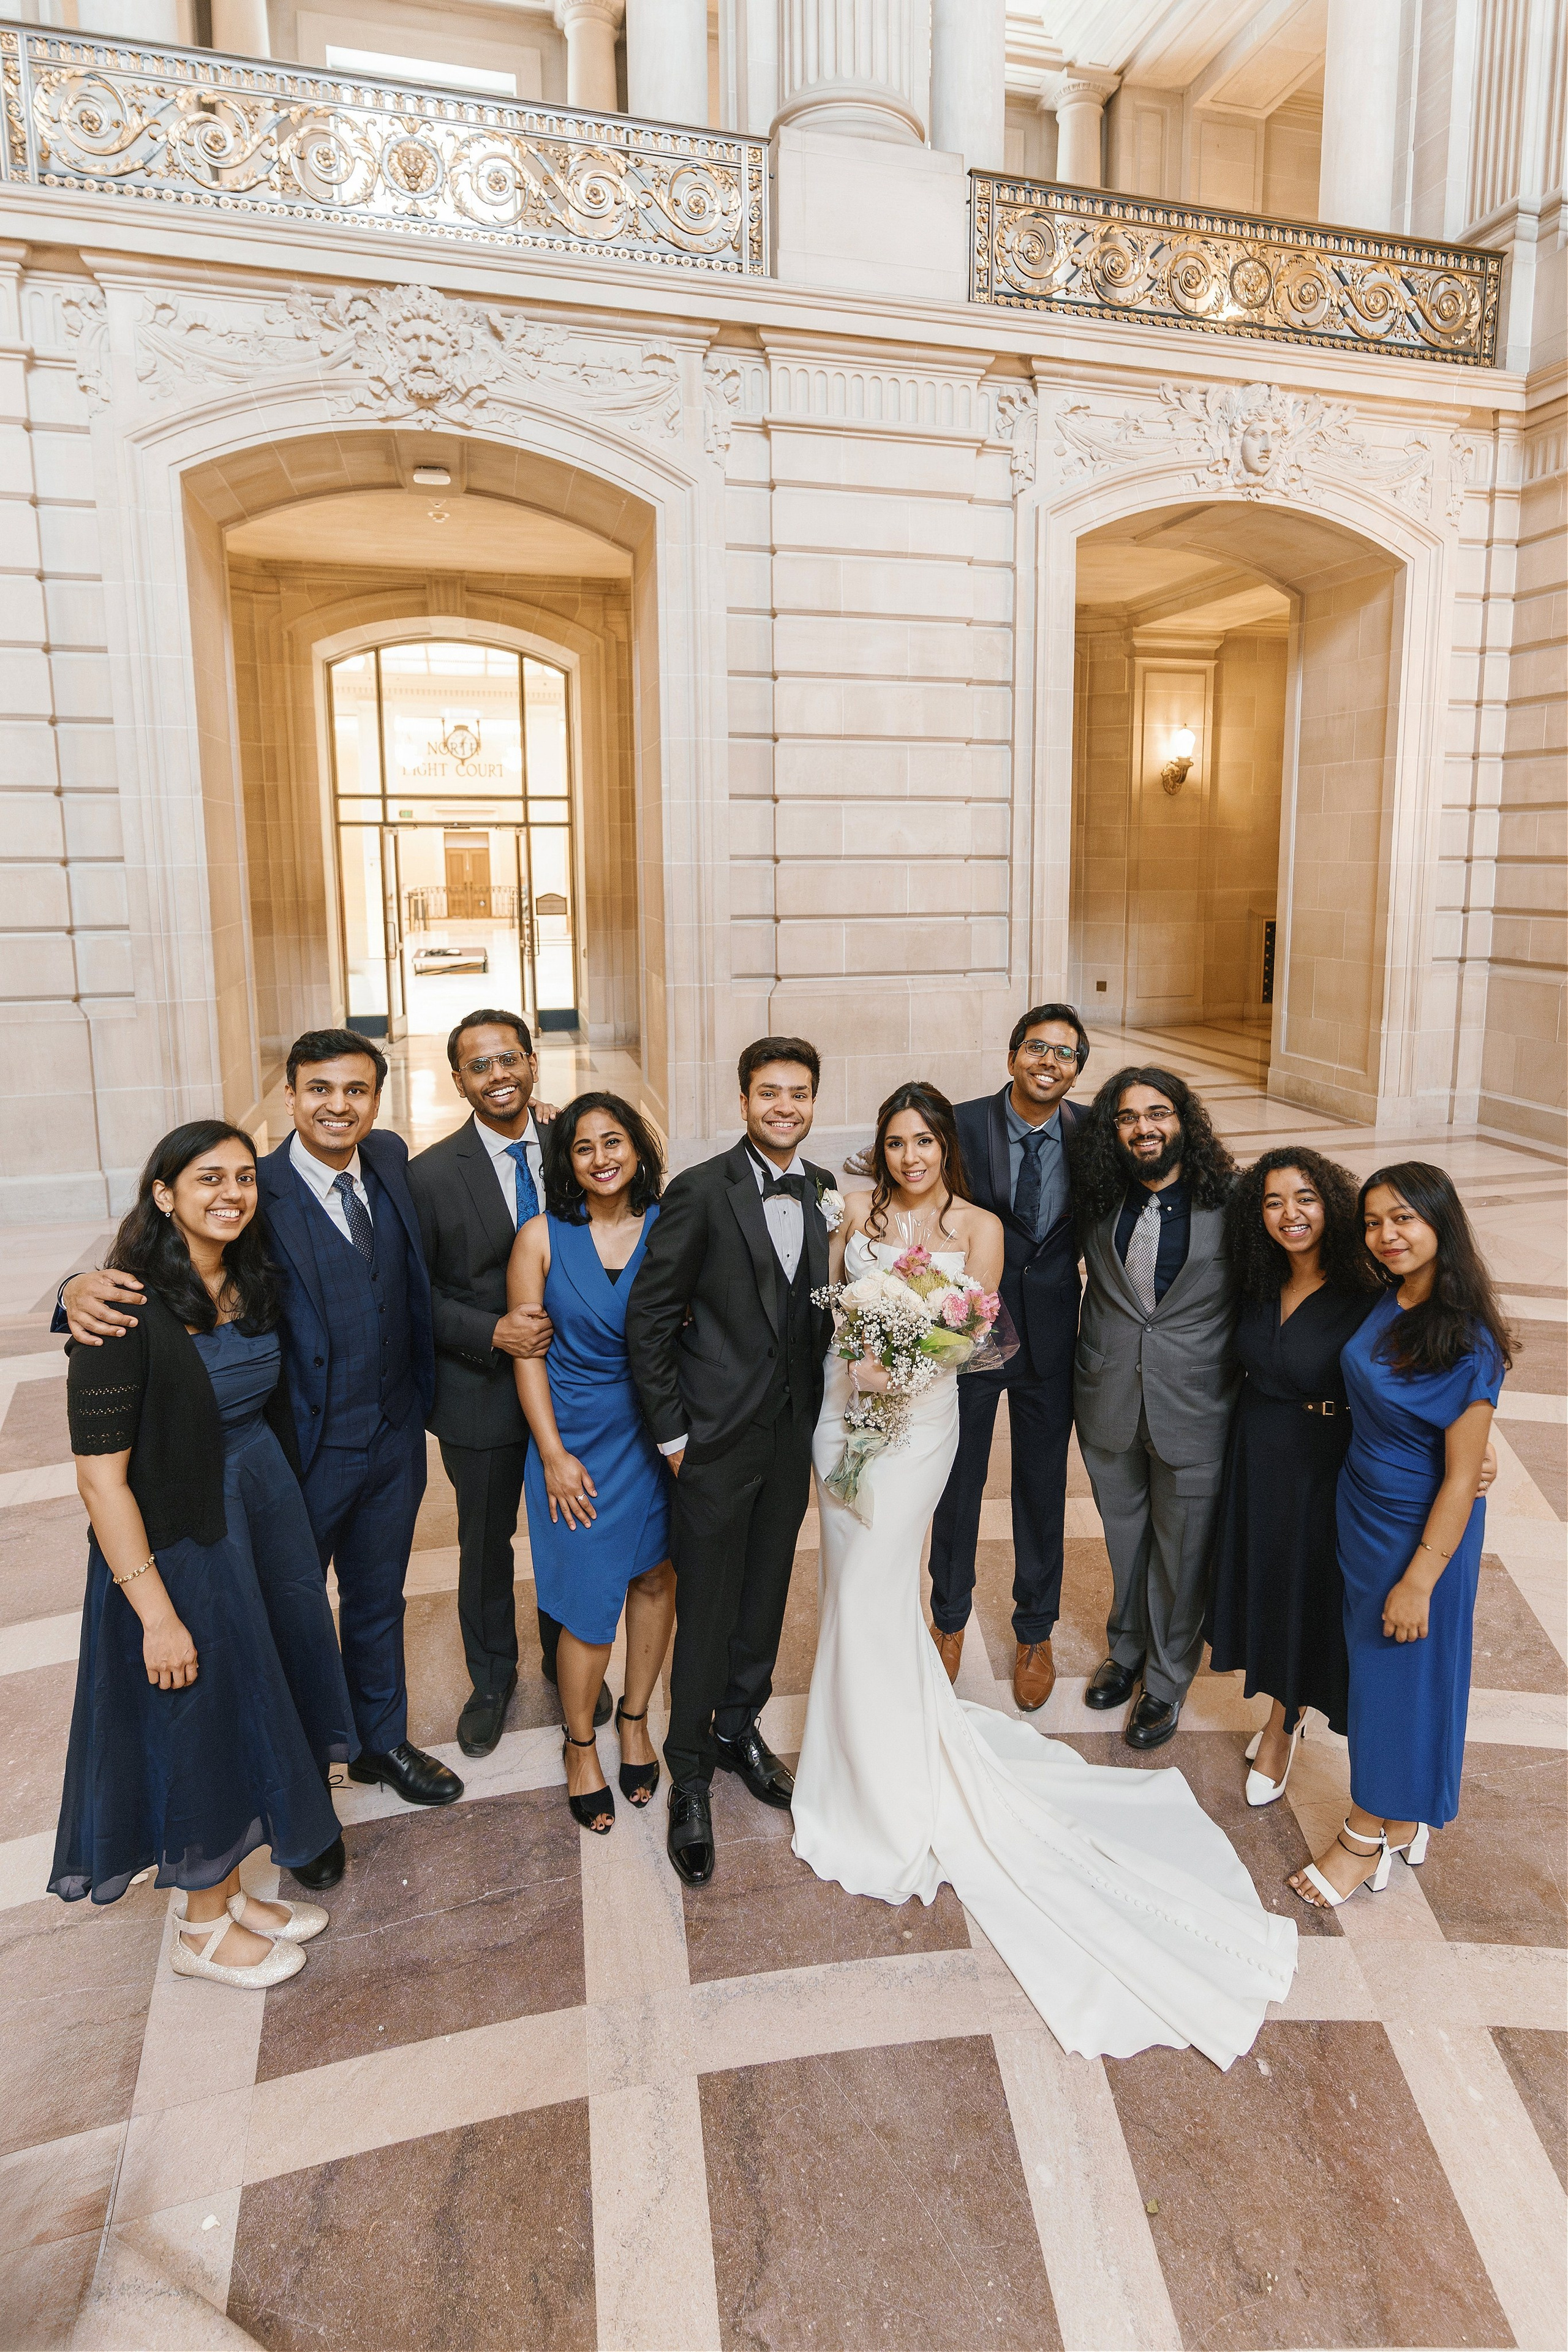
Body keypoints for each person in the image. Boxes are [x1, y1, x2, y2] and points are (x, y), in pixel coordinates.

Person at [792, 1082, 1297, 2069]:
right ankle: (849, 1748)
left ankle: (888, 1776)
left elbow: (979, 1333)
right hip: (843, 1413)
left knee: (873, 1580)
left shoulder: (978, 1226)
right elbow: (832, 1310)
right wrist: (863, 1351)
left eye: (924, 1141)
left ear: (947, 1147)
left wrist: (911, 1355)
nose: (909, 1156)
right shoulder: (852, 1214)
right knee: (850, 1587)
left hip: (919, 1420)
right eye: (894, 1143)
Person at [61, 1029, 461, 1881]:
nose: (338, 1106)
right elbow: (148, 1271)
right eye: (320, 1089)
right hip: (295, 1455)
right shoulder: (252, 1187)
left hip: (391, 1437)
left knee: (376, 1598)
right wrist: (74, 1291)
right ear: (290, 1095)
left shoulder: (389, 1159)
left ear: (378, 1102)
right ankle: (294, 1788)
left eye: (356, 1090)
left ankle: (381, 1742)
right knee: (276, 1623)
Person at [51, 1122, 355, 1988]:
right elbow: (102, 1484)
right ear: (163, 1193)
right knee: (201, 1719)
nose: (231, 1193)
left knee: (258, 1697)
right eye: (207, 1178)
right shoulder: (119, 1312)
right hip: (181, 1541)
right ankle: (200, 1926)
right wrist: (154, 1614)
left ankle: (228, 1891)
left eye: (244, 1177)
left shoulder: (249, 1279)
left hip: (260, 1515)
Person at [625, 1038, 837, 1887]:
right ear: (743, 1101)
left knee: (766, 1589)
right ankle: (689, 1774)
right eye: (768, 1093)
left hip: (793, 1433)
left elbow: (821, 1311)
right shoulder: (699, 1191)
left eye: (798, 1094)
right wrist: (675, 1436)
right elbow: (649, 1322)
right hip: (712, 1439)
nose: (784, 1107)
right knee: (706, 1600)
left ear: (814, 1101)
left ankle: (738, 1725)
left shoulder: (822, 1191)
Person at [1291, 1163, 1509, 1909]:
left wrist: (1420, 1577)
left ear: (1440, 1223)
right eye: (1376, 1221)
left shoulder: (1469, 1340)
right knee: (1388, 1676)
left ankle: (1362, 1834)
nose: (1387, 1235)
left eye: (1404, 1219)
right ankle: (1407, 1811)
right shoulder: (1391, 1299)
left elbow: (1458, 1479)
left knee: (1396, 1680)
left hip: (1421, 1529)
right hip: (1364, 1508)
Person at [407, 1011, 606, 1760]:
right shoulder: (427, 1175)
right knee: (485, 1540)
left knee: (571, 1524)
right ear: (458, 1080)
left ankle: (570, 1659)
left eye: (510, 1059)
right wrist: (489, 1332)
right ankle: (492, 1679)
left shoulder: (576, 1144)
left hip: (577, 1383)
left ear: (533, 1064)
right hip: (479, 1390)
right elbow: (412, 1292)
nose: (499, 1076)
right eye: (480, 1066)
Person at [509, 1095, 676, 1832]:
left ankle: (634, 1718)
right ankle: (581, 1744)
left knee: (654, 1575)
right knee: (586, 1604)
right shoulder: (539, 1238)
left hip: (654, 1433)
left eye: (615, 1142)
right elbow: (526, 1354)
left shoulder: (670, 1230)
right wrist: (551, 1455)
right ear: (567, 1162)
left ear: (638, 1150)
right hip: (572, 1440)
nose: (602, 1157)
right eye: (584, 1147)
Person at [1205, 1150, 1384, 1800]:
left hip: (1326, 1458)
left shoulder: (1366, 1287)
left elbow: (1423, 1362)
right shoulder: (1256, 1280)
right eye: (1274, 1201)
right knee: (1269, 1585)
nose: (1290, 1214)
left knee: (1308, 1593)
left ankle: (1283, 1726)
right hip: (1258, 1452)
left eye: (1304, 1198)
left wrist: (1477, 1440)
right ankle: (1285, 1709)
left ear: (1329, 1203)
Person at [1071, 1066, 1239, 1750]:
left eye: (1158, 1113)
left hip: (1196, 1406)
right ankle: (1126, 1648)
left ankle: (1167, 1679)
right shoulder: (1097, 1200)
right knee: (1125, 1538)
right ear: (1112, 1131)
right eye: (1127, 1117)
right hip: (1107, 1396)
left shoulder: (1231, 1203)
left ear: (1183, 1121)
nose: (1144, 1127)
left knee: (1182, 1550)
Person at [929, 1003, 1089, 1711]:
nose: (1048, 1062)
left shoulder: (1094, 1136)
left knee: (1041, 1486)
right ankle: (949, 1618)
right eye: (1037, 1048)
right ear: (1012, 1056)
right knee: (956, 1482)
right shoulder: (959, 1126)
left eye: (1064, 1053)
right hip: (971, 1332)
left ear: (1077, 1067)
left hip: (1054, 1337)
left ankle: (1035, 1629)